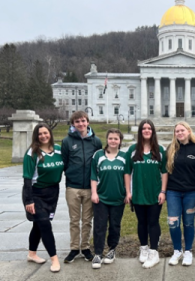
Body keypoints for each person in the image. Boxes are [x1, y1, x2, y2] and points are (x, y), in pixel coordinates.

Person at [124, 119, 168, 269]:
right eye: (144, 128)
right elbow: (127, 172)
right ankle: (143, 247)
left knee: (153, 222)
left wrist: (163, 191)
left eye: (149, 128)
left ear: (153, 131)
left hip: (155, 193)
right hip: (138, 193)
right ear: (140, 131)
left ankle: (153, 252)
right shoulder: (132, 150)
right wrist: (128, 192)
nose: (147, 130)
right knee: (141, 222)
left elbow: (164, 172)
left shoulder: (160, 150)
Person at [22, 123, 64, 273]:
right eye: (40, 134)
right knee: (45, 224)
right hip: (35, 193)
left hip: (52, 193)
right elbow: (27, 178)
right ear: (36, 136)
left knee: (38, 225)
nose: (43, 136)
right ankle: (54, 259)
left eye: (46, 133)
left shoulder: (59, 150)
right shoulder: (32, 153)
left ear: (50, 134)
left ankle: (31, 254)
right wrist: (29, 200)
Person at [61, 111, 102, 263]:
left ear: (88, 122)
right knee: (74, 219)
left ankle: (85, 248)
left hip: (90, 187)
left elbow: (99, 162)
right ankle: (73, 248)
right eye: (77, 121)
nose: (81, 124)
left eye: (83, 121)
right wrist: (71, 175)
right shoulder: (67, 141)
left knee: (86, 220)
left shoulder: (96, 141)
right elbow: (64, 163)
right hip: (73, 186)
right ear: (73, 124)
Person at [166, 122, 195, 266]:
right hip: (173, 192)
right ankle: (177, 250)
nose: (180, 133)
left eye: (182, 130)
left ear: (188, 131)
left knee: (188, 223)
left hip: (190, 193)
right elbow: (165, 172)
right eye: (177, 131)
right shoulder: (171, 149)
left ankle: (188, 251)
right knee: (173, 223)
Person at [90, 129, 126, 269]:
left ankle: (112, 250)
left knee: (115, 225)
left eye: (116, 139)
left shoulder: (124, 156)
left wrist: (127, 193)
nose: (113, 141)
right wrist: (94, 193)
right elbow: (93, 176)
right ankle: (98, 253)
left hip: (118, 198)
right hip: (101, 198)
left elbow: (127, 176)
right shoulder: (98, 155)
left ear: (120, 141)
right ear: (107, 139)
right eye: (110, 138)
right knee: (99, 226)